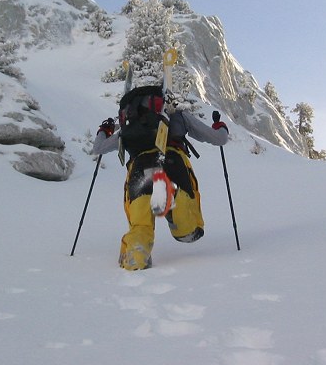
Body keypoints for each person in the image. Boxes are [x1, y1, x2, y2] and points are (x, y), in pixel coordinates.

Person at [92, 93, 229, 270]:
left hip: (140, 170)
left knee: (140, 225)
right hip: (172, 164)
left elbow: (98, 148)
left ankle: (135, 259)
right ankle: (172, 201)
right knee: (189, 229)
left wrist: (105, 131)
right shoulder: (177, 116)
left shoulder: (130, 125)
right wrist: (221, 126)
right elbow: (219, 138)